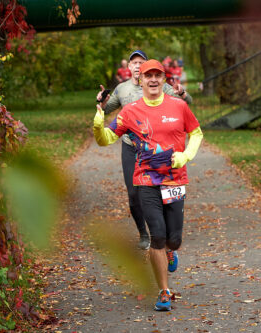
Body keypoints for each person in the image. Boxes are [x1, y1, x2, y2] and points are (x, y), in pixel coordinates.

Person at [93, 59, 203, 311]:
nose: (153, 80)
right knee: (158, 236)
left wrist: (185, 156)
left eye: (157, 75)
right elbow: (106, 138)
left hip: (174, 179)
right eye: (147, 76)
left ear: (163, 80)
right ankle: (164, 291)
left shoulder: (178, 106)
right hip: (145, 180)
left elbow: (196, 133)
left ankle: (170, 251)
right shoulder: (130, 111)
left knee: (173, 239)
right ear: (139, 80)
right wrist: (98, 123)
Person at [97, 50, 193, 251]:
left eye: (142, 62)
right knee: (134, 193)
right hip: (131, 148)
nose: (138, 65)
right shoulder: (122, 89)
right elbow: (107, 109)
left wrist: (182, 93)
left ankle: (167, 234)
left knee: (163, 188)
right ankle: (144, 232)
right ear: (130, 68)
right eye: (134, 63)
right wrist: (101, 103)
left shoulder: (160, 85)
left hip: (158, 149)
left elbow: (184, 105)